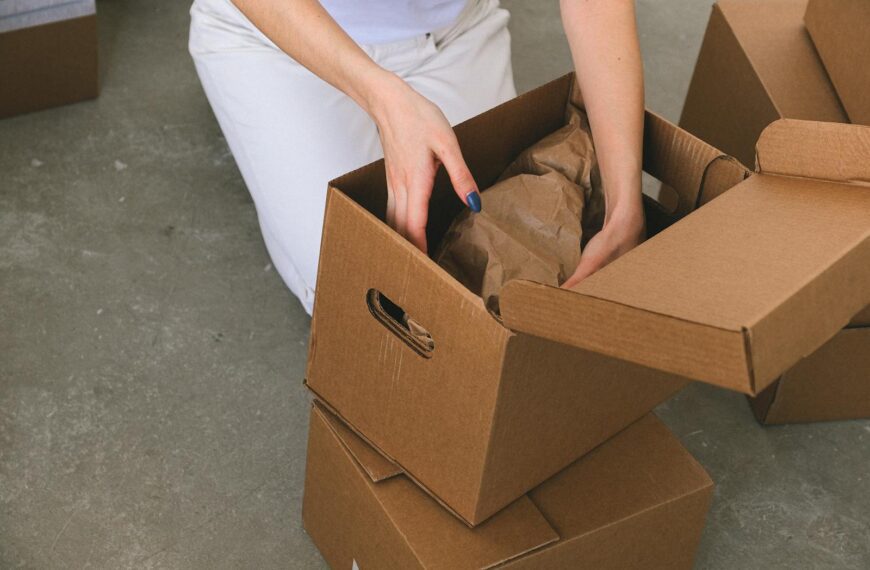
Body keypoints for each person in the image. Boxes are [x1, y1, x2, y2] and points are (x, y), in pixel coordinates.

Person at [189, 0, 644, 315]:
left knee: (491, 266)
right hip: (279, 33)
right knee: (358, 287)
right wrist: (383, 99)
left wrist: (626, 203)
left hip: (451, 33)